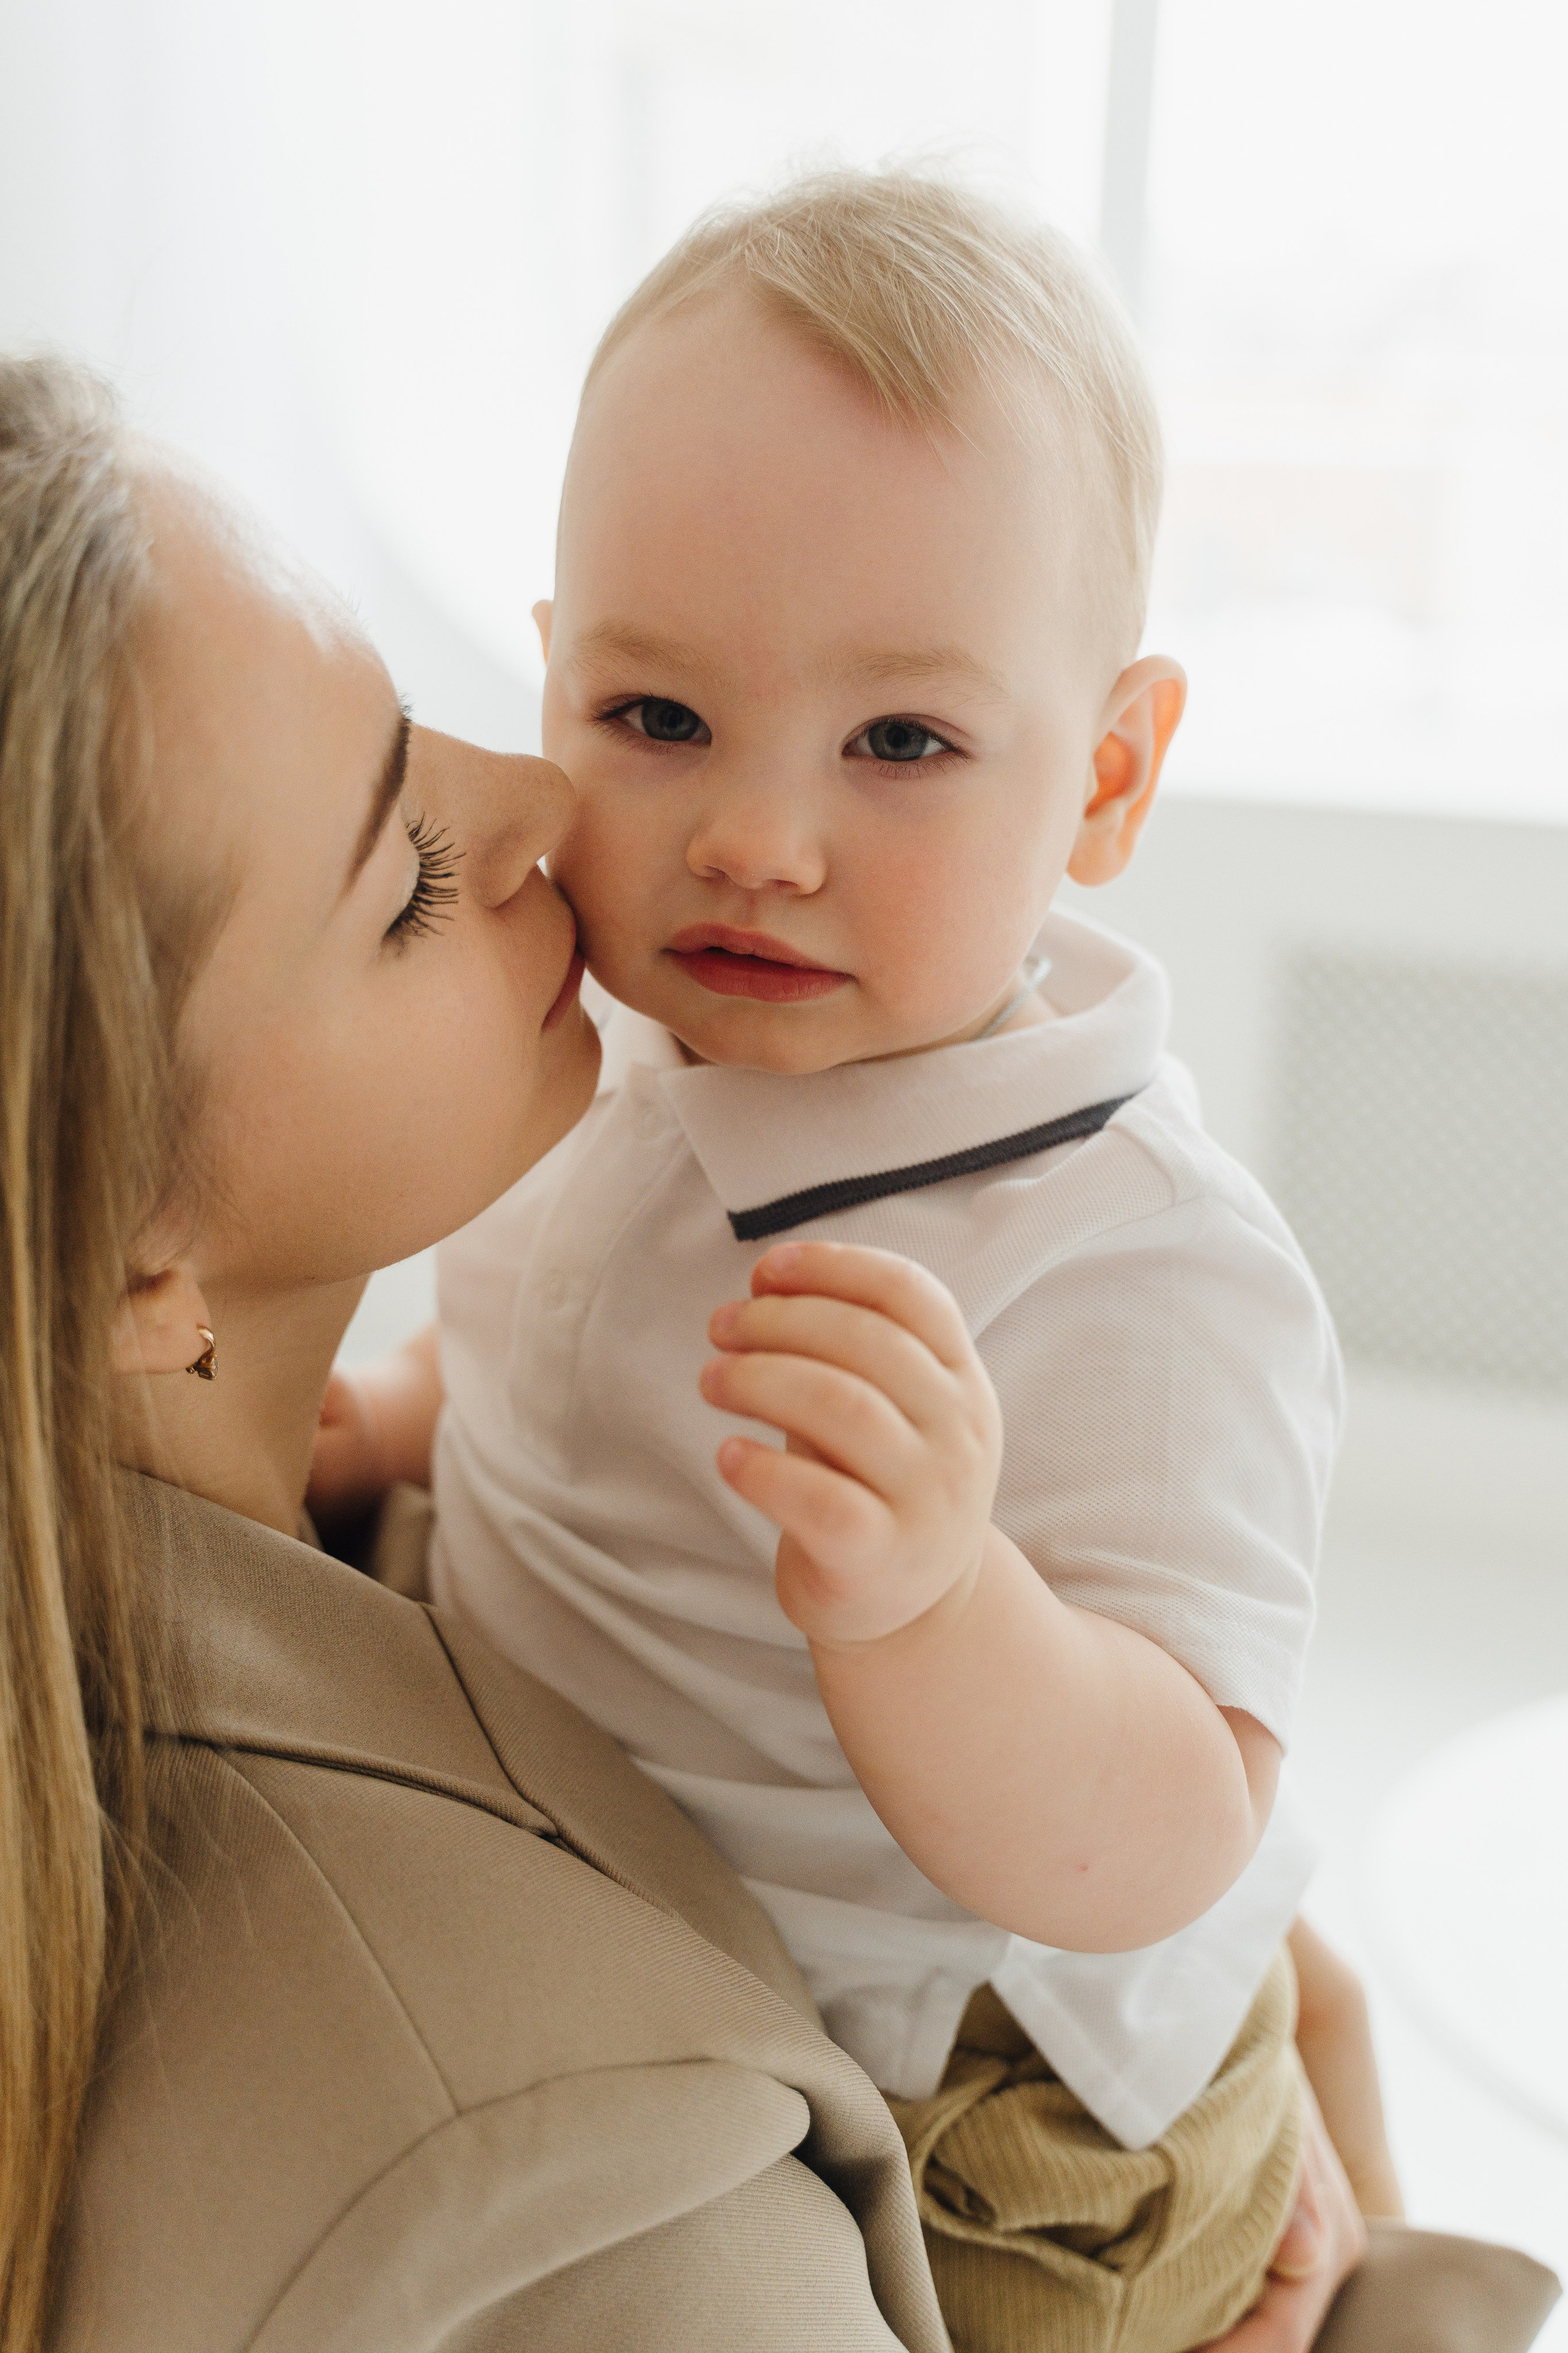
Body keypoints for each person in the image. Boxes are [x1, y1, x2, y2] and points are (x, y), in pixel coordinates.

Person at [0, 353, 1547, 2353]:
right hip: (940, 2143)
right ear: (135, 1259)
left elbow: (1181, 1825)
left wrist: (944, 1610)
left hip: (1014, 2064)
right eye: (405, 878)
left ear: (1108, 775)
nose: (554, 802)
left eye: (900, 735)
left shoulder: (1134, 1260)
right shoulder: (631, 2216)